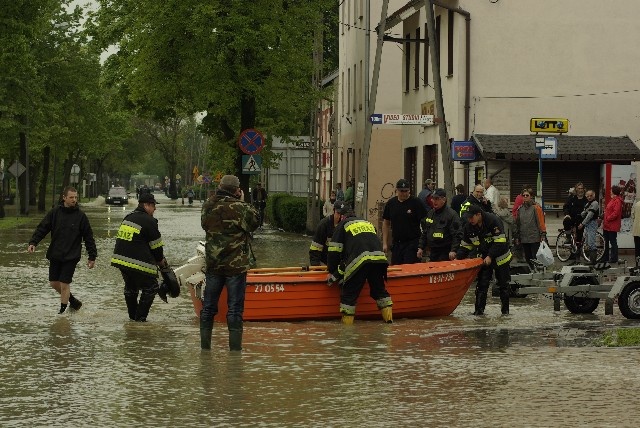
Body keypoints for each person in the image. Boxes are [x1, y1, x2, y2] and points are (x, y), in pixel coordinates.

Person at [200, 175, 259, 351]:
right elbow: (255, 223)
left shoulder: (208, 205)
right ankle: (235, 353)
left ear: (220, 186)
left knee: (208, 307)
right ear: (236, 190)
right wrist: (242, 200)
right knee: (234, 309)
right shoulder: (240, 207)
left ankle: (205, 349)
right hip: (235, 266)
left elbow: (205, 225)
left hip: (214, 264)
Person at [27, 186, 97, 314]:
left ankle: (62, 315)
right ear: (64, 198)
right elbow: (43, 228)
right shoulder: (54, 213)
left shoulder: (81, 216)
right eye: (71, 197)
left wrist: (92, 256)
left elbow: (89, 237)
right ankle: (74, 302)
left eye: (75, 197)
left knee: (65, 284)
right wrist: (33, 242)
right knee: (54, 283)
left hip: (72, 255)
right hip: (56, 253)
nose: (74, 200)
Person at [327, 202, 392, 324]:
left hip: (360, 261)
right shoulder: (367, 223)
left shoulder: (343, 225)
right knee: (380, 292)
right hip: (379, 260)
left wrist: (332, 272)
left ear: (342, 216)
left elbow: (334, 251)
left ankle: (346, 333)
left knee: (348, 296)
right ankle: (388, 324)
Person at [111, 193, 167, 322]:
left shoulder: (128, 217)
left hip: (120, 260)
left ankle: (132, 318)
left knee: (131, 288)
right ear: (146, 205)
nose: (155, 209)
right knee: (151, 287)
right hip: (136, 261)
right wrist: (160, 261)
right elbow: (156, 246)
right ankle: (140, 320)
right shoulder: (149, 221)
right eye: (153, 206)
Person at [457, 205, 512, 315]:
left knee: (503, 286)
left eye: (471, 217)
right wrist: (457, 259)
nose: (469, 220)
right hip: (484, 259)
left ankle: (505, 313)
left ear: (479, 215)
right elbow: (466, 246)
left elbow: (500, 242)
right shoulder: (469, 227)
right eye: (468, 218)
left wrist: (490, 256)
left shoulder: (493, 221)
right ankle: (479, 312)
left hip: (501, 258)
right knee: (482, 285)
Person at [382, 179, 429, 265]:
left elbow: (425, 223)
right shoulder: (391, 203)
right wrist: (385, 243)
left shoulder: (416, 202)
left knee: (409, 268)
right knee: (396, 269)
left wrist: (422, 245)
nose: (404, 193)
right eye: (401, 191)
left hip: (412, 243)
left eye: (406, 191)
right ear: (396, 191)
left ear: (409, 191)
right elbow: (386, 223)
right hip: (397, 244)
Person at [417, 188, 462, 262]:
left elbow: (457, 234)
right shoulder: (430, 213)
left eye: (436, 199)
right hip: (433, 251)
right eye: (433, 198)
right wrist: (421, 247)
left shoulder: (451, 215)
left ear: (443, 199)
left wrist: (454, 250)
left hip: (446, 251)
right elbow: (425, 232)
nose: (433, 201)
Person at [513, 190, 547, 269]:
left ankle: (538, 272)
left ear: (530, 196)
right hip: (524, 238)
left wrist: (543, 233)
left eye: (527, 195)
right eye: (523, 195)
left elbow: (540, 222)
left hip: (534, 237)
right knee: (528, 258)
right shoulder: (520, 209)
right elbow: (517, 224)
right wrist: (517, 236)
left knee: (535, 257)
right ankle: (532, 271)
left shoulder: (536, 208)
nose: (525, 197)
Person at [562, 182, 588, 263]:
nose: (580, 190)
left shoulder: (586, 199)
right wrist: (567, 214)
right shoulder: (572, 198)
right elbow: (566, 206)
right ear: (576, 189)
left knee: (579, 237)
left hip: (581, 220)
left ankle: (577, 255)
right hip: (572, 217)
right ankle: (568, 237)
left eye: (581, 188)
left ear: (584, 189)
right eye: (579, 188)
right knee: (566, 220)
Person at [577, 189, 600, 264]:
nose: (589, 197)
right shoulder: (588, 204)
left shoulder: (595, 203)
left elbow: (590, 215)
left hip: (592, 223)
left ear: (594, 196)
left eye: (591, 195)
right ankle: (587, 257)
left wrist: (582, 223)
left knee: (591, 242)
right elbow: (584, 213)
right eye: (588, 196)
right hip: (587, 224)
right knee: (586, 242)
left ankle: (593, 261)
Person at [602, 185, 623, 264]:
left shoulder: (617, 200)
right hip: (607, 225)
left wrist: (608, 218)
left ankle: (614, 258)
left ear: (614, 191)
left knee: (613, 241)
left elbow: (616, 213)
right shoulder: (613, 199)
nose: (610, 191)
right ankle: (605, 257)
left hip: (612, 225)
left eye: (611, 190)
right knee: (606, 241)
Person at [632, 197, 640, 266]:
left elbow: (632, 216)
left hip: (636, 230)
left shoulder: (636, 204)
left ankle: (637, 263)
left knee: (637, 248)